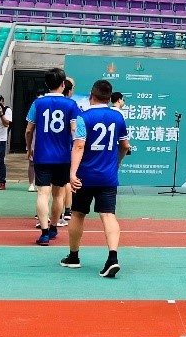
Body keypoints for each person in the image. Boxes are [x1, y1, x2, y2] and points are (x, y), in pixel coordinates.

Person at [63, 79, 130, 277]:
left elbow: (79, 146)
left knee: (78, 214)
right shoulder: (118, 117)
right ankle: (112, 258)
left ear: (92, 95)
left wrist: (72, 173)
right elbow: (125, 146)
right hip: (108, 176)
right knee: (108, 215)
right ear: (109, 98)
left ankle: (74, 257)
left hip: (85, 176)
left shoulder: (84, 117)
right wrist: (117, 163)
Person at [25, 69, 80, 246]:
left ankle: (44, 233)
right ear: (63, 84)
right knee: (58, 194)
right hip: (63, 156)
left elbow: (29, 130)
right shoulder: (71, 105)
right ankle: (54, 227)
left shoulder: (38, 103)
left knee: (42, 193)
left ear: (46, 84)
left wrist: (29, 148)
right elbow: (74, 129)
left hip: (42, 155)